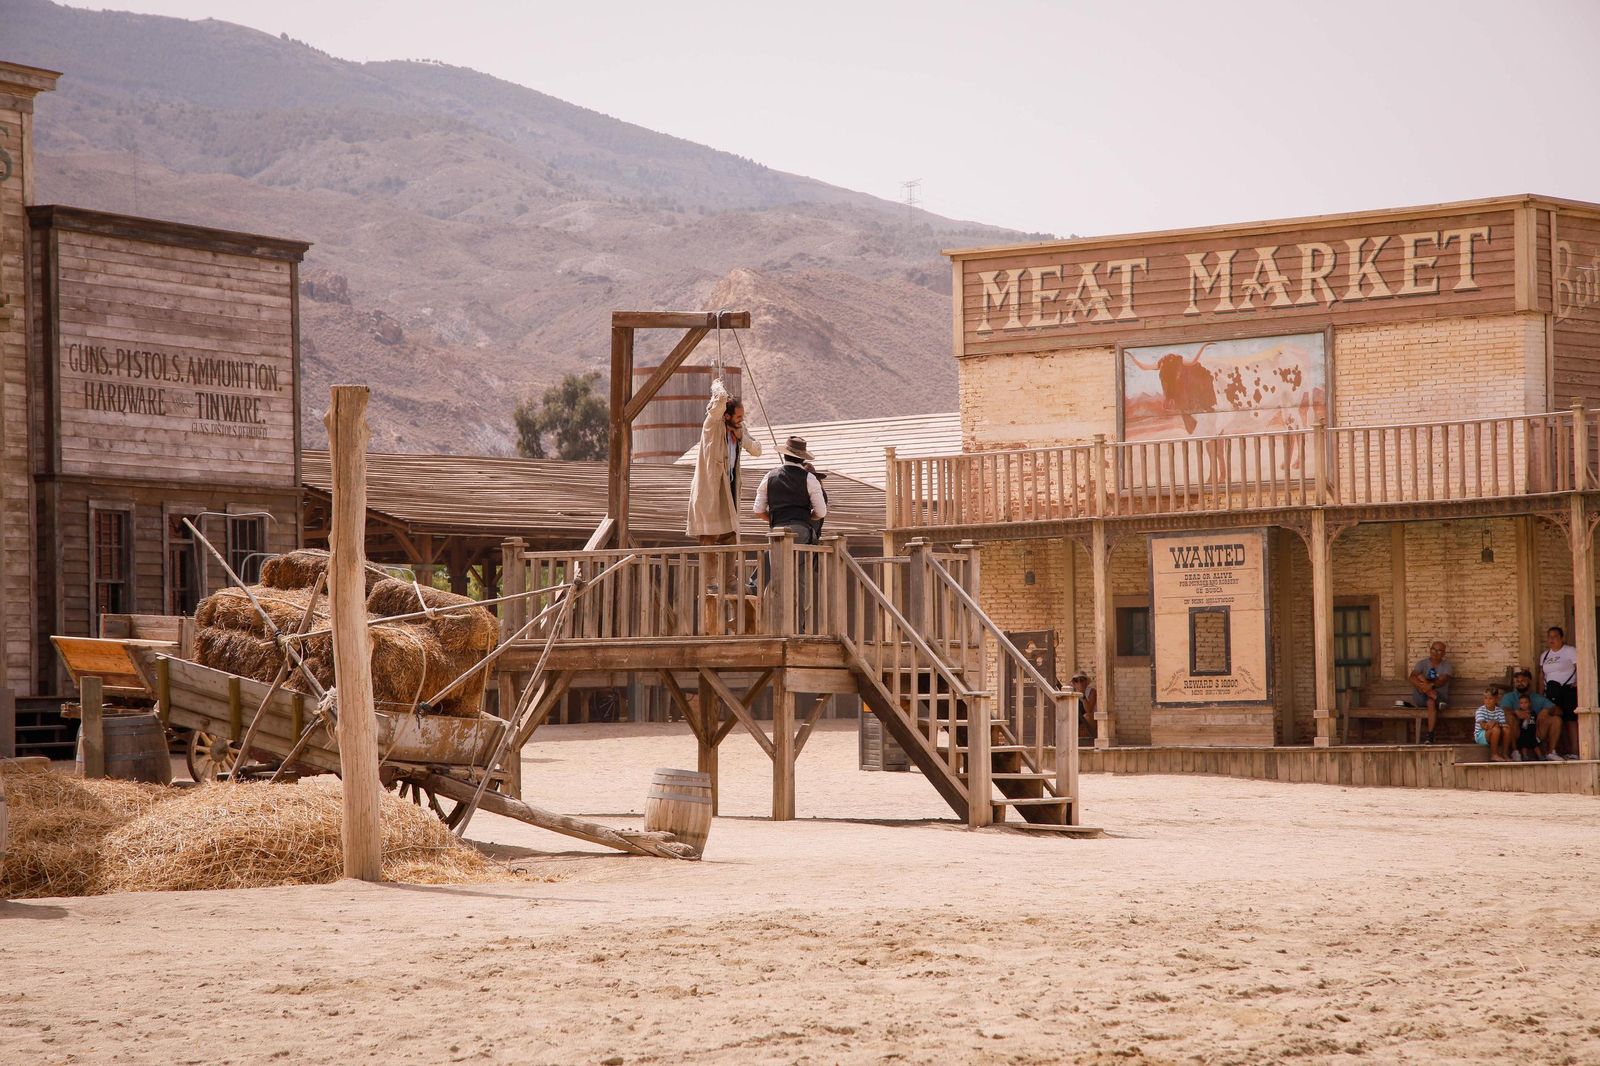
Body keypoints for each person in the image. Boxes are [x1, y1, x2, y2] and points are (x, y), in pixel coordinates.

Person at [686, 377, 762, 545]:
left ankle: (729, 573)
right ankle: (709, 573)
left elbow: (757, 450)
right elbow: (720, 399)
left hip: (729, 488)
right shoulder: (712, 424)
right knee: (708, 535)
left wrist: (742, 436)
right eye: (738, 416)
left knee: (731, 536)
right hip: (711, 487)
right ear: (726, 415)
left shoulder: (739, 429)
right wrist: (717, 384)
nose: (741, 419)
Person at [754, 436, 827, 545]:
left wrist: (776, 520)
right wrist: (806, 517)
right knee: (805, 560)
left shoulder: (769, 476)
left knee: (777, 561)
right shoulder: (810, 479)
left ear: (785, 455)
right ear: (803, 458)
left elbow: (758, 510)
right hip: (801, 531)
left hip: (777, 531)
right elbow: (821, 512)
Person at [1499, 668, 1561, 761]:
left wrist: (1547, 710)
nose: (1520, 683)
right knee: (1509, 717)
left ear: (1529, 681)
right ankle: (1515, 751)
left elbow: (1559, 711)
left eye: (1523, 680)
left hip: (1535, 732)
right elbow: (1501, 711)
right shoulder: (1509, 697)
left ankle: (1551, 752)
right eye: (1517, 681)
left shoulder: (1537, 698)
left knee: (1556, 719)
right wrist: (1515, 712)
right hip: (1517, 732)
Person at [1538, 626, 1579, 758]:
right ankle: (1557, 750)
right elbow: (1541, 675)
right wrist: (1540, 694)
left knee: (1570, 720)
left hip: (1567, 690)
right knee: (1555, 718)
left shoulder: (1570, 651)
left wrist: (1579, 682)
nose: (1552, 639)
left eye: (1555, 636)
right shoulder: (1545, 655)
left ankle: (1574, 751)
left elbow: (1581, 667)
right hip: (1551, 692)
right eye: (1549, 637)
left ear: (1562, 638)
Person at [1406, 641, 1455, 744]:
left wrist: (1429, 686)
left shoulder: (1446, 665)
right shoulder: (1422, 663)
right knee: (1417, 677)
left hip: (1439, 696)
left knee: (1431, 701)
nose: (1435, 652)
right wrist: (1423, 686)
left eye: (1439, 650)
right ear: (1430, 650)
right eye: (1433, 649)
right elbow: (1411, 677)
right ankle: (1433, 695)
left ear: (1444, 653)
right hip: (1421, 697)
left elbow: (1443, 680)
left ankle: (1430, 735)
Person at [1474, 686, 1512, 762]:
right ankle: (1494, 755)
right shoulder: (1480, 710)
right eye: (1485, 698)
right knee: (1496, 729)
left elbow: (1503, 725)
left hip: (1495, 733)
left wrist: (1495, 722)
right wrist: (1494, 725)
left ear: (1496, 699)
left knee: (1507, 729)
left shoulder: (1500, 711)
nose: (1487, 701)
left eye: (1490, 698)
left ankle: (1505, 754)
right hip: (1481, 736)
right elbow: (1484, 726)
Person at [1070, 672, 1097, 745]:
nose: (1079, 683)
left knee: (1087, 716)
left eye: (1081, 680)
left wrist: (1083, 695)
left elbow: (1089, 710)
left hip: (1088, 722)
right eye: (1076, 680)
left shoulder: (1091, 692)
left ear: (1086, 682)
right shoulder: (1071, 692)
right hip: (1077, 720)